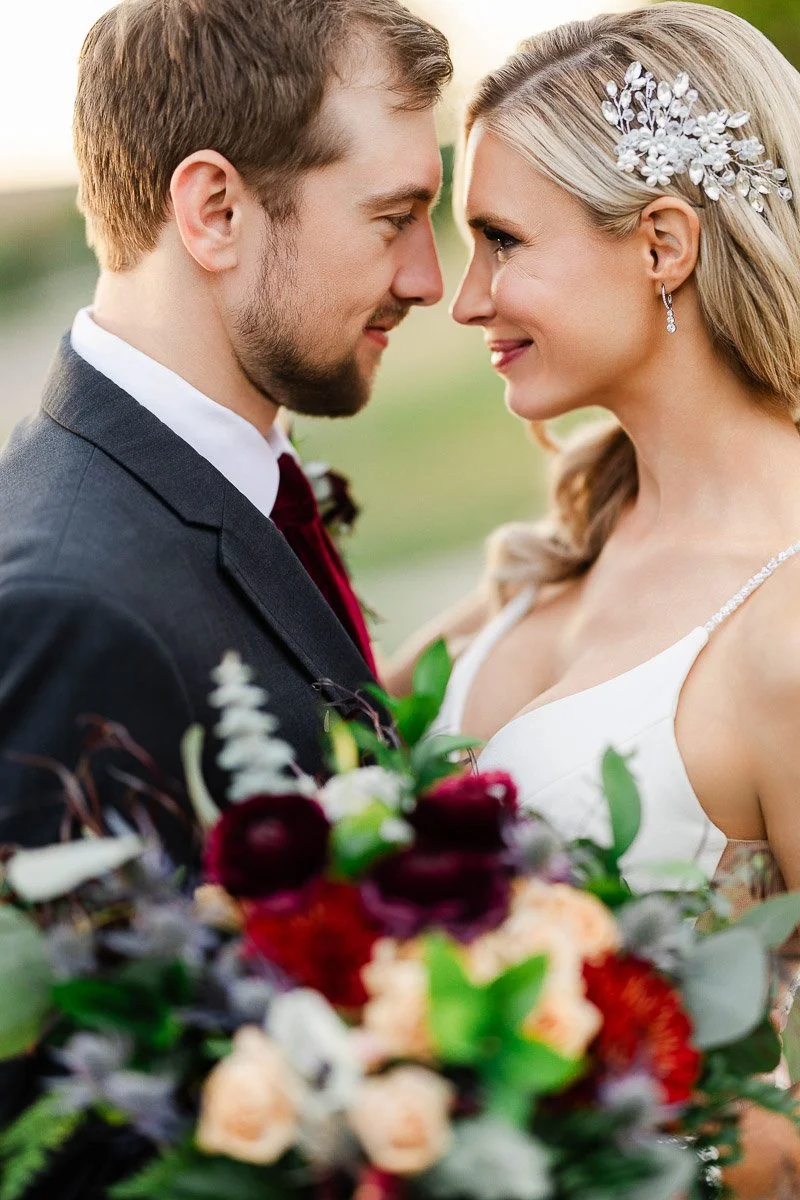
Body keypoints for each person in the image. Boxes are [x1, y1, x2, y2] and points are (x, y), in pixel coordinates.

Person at [386, 5, 800, 1194]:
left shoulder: (784, 629)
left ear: (662, 244)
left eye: (501, 240)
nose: (465, 300)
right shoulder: (550, 557)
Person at [0, 0, 450, 863]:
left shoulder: (225, 478)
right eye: (394, 217)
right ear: (214, 212)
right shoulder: (67, 613)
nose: (427, 278)